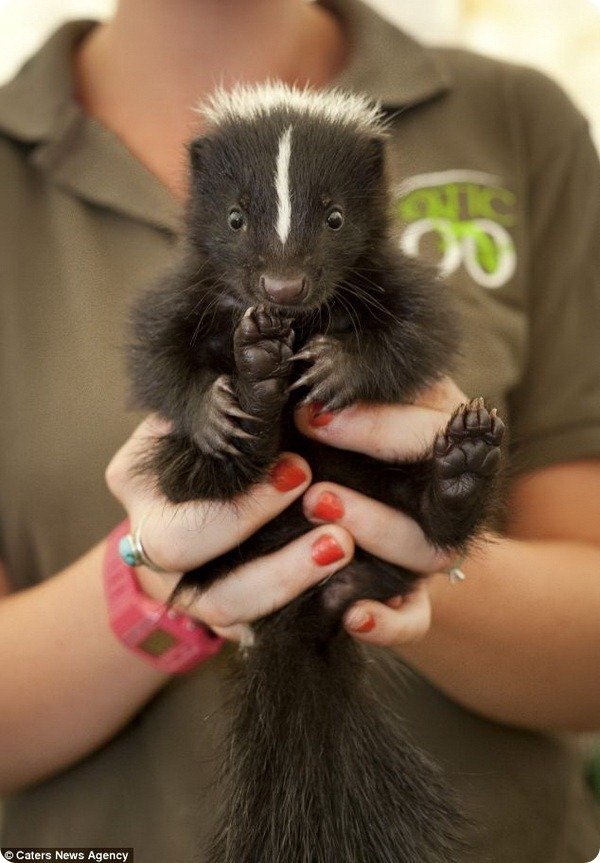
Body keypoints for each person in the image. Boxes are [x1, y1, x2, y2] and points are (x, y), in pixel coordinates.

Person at [0, 0, 599, 860]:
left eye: (326, 226)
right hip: (113, 820)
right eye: (244, 229)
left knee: (426, 464)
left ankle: (440, 503)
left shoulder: (515, 117)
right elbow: (164, 364)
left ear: (370, 193)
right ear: (206, 194)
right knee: (201, 443)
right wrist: (157, 574)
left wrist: (417, 567)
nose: (282, 278)